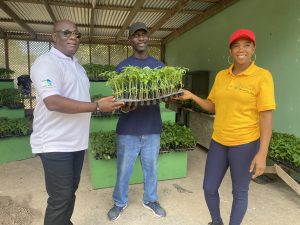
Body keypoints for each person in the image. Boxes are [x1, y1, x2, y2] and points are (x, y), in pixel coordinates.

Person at [178, 29, 276, 225]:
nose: (241, 50)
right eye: (236, 46)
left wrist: (262, 153)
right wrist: (193, 96)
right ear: (230, 51)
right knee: (209, 187)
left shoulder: (262, 76)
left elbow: (266, 117)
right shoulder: (222, 76)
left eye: (246, 45)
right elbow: (212, 106)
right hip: (219, 142)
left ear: (253, 48)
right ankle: (216, 222)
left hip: (245, 144)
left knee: (239, 191)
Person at [30, 19, 123, 225]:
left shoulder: (78, 67)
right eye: (66, 33)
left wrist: (113, 104)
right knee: (60, 198)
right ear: (54, 37)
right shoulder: (46, 62)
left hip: (76, 142)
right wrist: (97, 106)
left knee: (69, 192)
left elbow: (79, 100)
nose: (73, 36)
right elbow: (52, 102)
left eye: (76, 34)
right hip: (55, 143)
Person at [107, 22, 167, 221]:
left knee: (152, 169)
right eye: (136, 35)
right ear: (130, 39)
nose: (140, 38)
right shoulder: (122, 68)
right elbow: (118, 101)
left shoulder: (159, 67)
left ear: (148, 38)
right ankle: (119, 202)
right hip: (128, 129)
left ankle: (150, 199)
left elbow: (165, 93)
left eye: (144, 35)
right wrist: (124, 107)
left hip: (152, 128)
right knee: (123, 170)